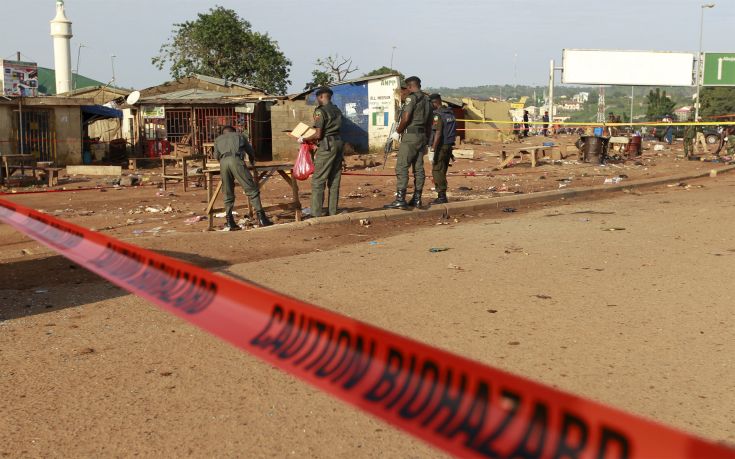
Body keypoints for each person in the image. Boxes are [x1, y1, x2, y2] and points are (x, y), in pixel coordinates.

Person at [385, 76, 432, 210]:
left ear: (410, 86)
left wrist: (397, 132)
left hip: (410, 136)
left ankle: (400, 199)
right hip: (422, 136)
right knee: (418, 168)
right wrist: (427, 140)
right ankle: (417, 199)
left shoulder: (412, 98)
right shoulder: (427, 100)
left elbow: (405, 118)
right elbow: (429, 123)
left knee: (401, 166)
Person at [214, 126, 272, 230]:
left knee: (227, 192)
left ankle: (230, 221)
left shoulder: (218, 139)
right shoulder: (240, 136)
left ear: (223, 132)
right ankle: (262, 218)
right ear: (233, 131)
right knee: (251, 189)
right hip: (236, 161)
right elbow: (250, 152)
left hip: (223, 163)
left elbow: (216, 156)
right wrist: (251, 161)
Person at [299, 87, 344, 217]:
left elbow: (318, 135)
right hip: (339, 144)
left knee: (318, 180)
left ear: (321, 97)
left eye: (317, 98)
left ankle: (316, 213)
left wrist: (304, 138)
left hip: (327, 145)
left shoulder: (320, 111)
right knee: (334, 180)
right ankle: (333, 212)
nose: (317, 101)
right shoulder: (337, 110)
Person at [428, 94, 457, 205]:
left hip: (440, 146)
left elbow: (438, 133)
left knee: (437, 171)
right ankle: (442, 194)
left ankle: (441, 196)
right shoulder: (450, 113)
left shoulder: (437, 115)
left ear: (435, 103)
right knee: (443, 170)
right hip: (449, 146)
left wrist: (433, 149)